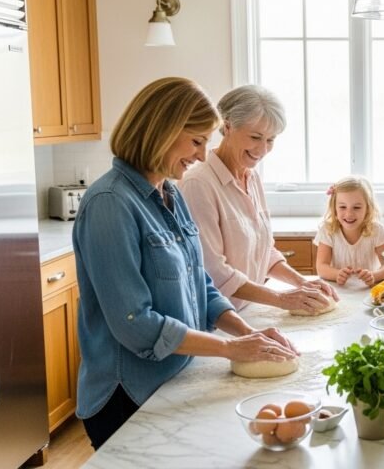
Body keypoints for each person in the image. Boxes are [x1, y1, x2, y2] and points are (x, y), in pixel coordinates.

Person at [73, 77, 298, 449]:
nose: (201, 154)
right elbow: (136, 325)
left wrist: (246, 333)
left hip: (175, 379)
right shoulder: (110, 204)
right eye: (196, 141)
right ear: (159, 131)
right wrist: (228, 349)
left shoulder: (170, 194)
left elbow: (202, 287)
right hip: (128, 397)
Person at [179, 85, 337, 314]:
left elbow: (265, 252)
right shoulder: (198, 184)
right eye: (255, 137)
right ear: (228, 126)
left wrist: (302, 282)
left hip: (247, 312)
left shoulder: (251, 178)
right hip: (216, 321)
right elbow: (213, 271)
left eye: (271, 140)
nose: (263, 149)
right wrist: (282, 299)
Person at [315, 176, 384, 286]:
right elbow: (321, 267)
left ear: (368, 208)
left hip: (367, 292)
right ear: (334, 208)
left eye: (356, 207)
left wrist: (374, 276)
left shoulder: (377, 230)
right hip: (339, 292)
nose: (349, 214)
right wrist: (337, 274)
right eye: (342, 207)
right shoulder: (328, 230)